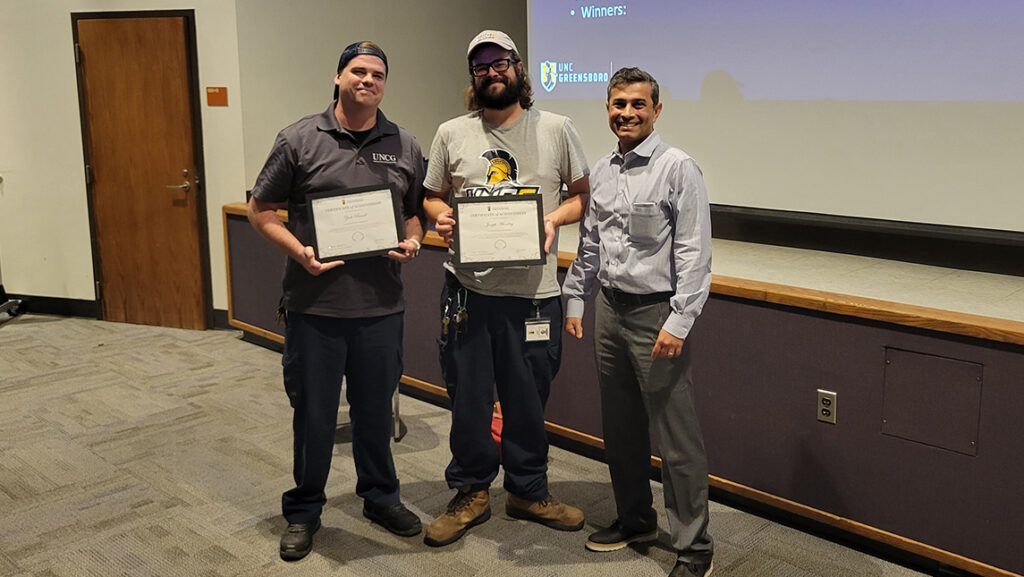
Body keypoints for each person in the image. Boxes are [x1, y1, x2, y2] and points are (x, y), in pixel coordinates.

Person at [247, 41, 426, 561]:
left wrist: (413, 241)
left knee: (375, 414)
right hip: (315, 307)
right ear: (338, 77)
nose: (367, 80)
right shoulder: (299, 138)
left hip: (380, 307)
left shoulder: (404, 143)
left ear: (385, 85)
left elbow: (412, 213)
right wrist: (300, 252)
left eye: (377, 74)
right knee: (315, 416)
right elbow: (261, 210)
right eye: (357, 71)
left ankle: (380, 498)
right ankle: (304, 510)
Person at [421, 29, 591, 547]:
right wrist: (442, 217)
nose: (492, 73)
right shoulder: (451, 133)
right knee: (468, 398)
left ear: (518, 68)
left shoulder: (557, 128)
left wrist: (552, 218)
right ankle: (471, 491)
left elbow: (583, 196)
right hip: (467, 293)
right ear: (473, 78)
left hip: (534, 294)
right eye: (481, 67)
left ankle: (528, 489)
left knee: (526, 399)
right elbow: (430, 198)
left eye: (501, 63)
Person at [562, 67, 715, 577]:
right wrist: (576, 301)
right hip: (609, 309)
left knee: (677, 440)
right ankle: (635, 519)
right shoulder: (602, 170)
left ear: (656, 110)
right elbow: (591, 243)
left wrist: (680, 320)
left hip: (657, 315)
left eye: (637, 104)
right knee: (621, 429)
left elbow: (695, 253)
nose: (626, 112)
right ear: (607, 107)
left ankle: (694, 547)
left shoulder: (678, 168)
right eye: (618, 103)